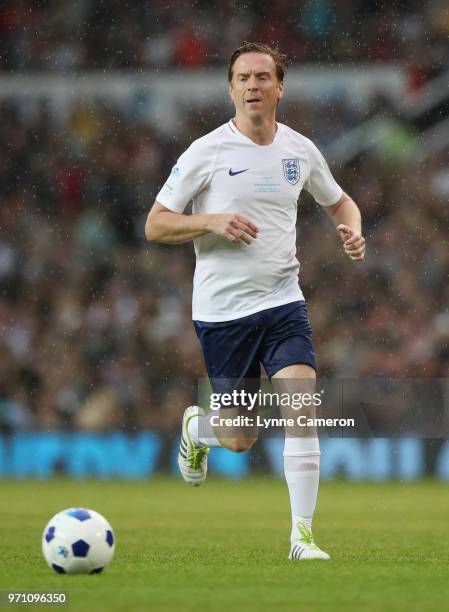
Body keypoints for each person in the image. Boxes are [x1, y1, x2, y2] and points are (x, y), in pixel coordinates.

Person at [145, 42, 365, 560]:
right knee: (240, 439)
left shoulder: (299, 150)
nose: (253, 86)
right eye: (243, 77)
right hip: (224, 313)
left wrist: (352, 231)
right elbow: (155, 224)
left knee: (301, 410)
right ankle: (199, 429)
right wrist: (210, 221)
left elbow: (340, 201)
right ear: (230, 88)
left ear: (279, 87)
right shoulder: (206, 152)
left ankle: (302, 537)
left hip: (284, 301)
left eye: (263, 77)